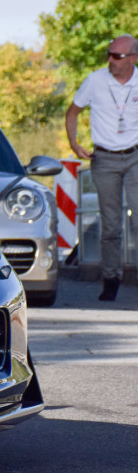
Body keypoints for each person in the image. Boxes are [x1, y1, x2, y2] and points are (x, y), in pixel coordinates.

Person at [66, 34, 138, 302]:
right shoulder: (96, 80)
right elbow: (72, 111)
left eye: (117, 56)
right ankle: (111, 279)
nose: (110, 60)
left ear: (132, 58)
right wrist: (74, 144)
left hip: (135, 156)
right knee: (110, 225)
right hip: (105, 159)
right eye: (108, 54)